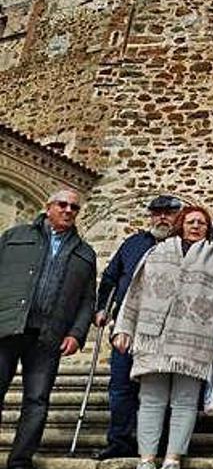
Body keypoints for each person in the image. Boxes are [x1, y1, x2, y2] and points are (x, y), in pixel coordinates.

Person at [112, 206, 213, 469]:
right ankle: (146, 459)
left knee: (185, 402)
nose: (196, 226)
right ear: (181, 224)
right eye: (191, 222)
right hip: (153, 337)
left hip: (194, 339)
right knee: (151, 400)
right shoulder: (157, 251)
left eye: (202, 223)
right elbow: (134, 292)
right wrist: (123, 328)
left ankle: (173, 458)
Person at [0, 189, 96, 469]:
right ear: (48, 206)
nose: (68, 210)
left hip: (48, 336)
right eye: (62, 205)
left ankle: (20, 461)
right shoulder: (16, 237)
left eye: (74, 208)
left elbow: (88, 300)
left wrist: (77, 334)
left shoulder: (85, 253)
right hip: (7, 327)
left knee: (37, 400)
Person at [93, 195, 182, 460]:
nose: (162, 218)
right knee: (121, 386)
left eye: (168, 213)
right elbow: (110, 277)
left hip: (165, 330)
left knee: (160, 389)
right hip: (128, 326)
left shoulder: (182, 245)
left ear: (177, 216)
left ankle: (159, 445)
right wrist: (102, 309)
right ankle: (119, 441)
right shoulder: (132, 244)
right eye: (157, 213)